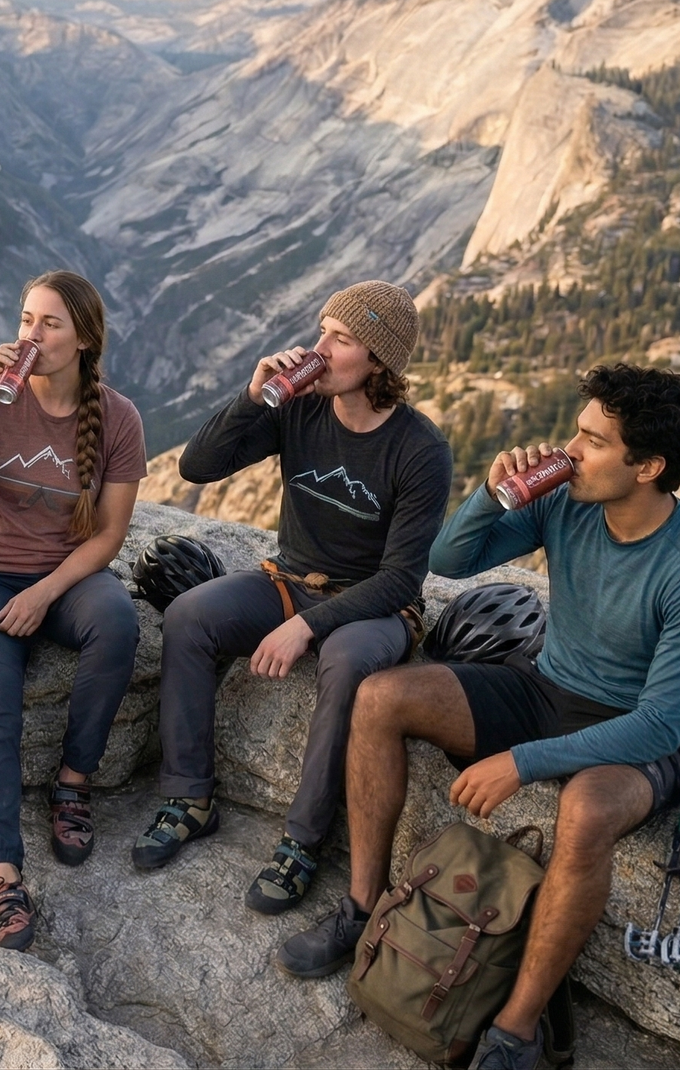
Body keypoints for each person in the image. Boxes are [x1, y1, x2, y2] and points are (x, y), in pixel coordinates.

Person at [276, 364, 680, 1070]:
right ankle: (363, 906)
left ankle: (517, 1030)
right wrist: (493, 495)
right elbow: (450, 559)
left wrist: (520, 763)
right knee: (381, 696)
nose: (570, 449)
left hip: (634, 732)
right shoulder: (569, 499)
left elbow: (661, 725)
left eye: (593, 440)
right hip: (545, 688)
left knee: (584, 812)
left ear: (647, 466)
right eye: (576, 430)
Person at [133, 282, 451, 917]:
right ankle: (191, 798)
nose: (319, 348)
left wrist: (306, 629)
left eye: (341, 339)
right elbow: (197, 466)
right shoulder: (299, 408)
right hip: (288, 578)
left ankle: (302, 842)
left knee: (347, 662)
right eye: (322, 331)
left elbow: (399, 579)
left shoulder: (420, 449)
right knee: (191, 616)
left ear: (379, 363)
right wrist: (251, 398)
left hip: (374, 607)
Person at [0, 270, 148, 952]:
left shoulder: (118, 417)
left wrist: (43, 592)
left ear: (83, 339)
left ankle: (73, 782)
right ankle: (4, 879)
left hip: (65, 576)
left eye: (49, 324)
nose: (31, 335)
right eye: (24, 320)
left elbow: (107, 535)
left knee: (118, 622)